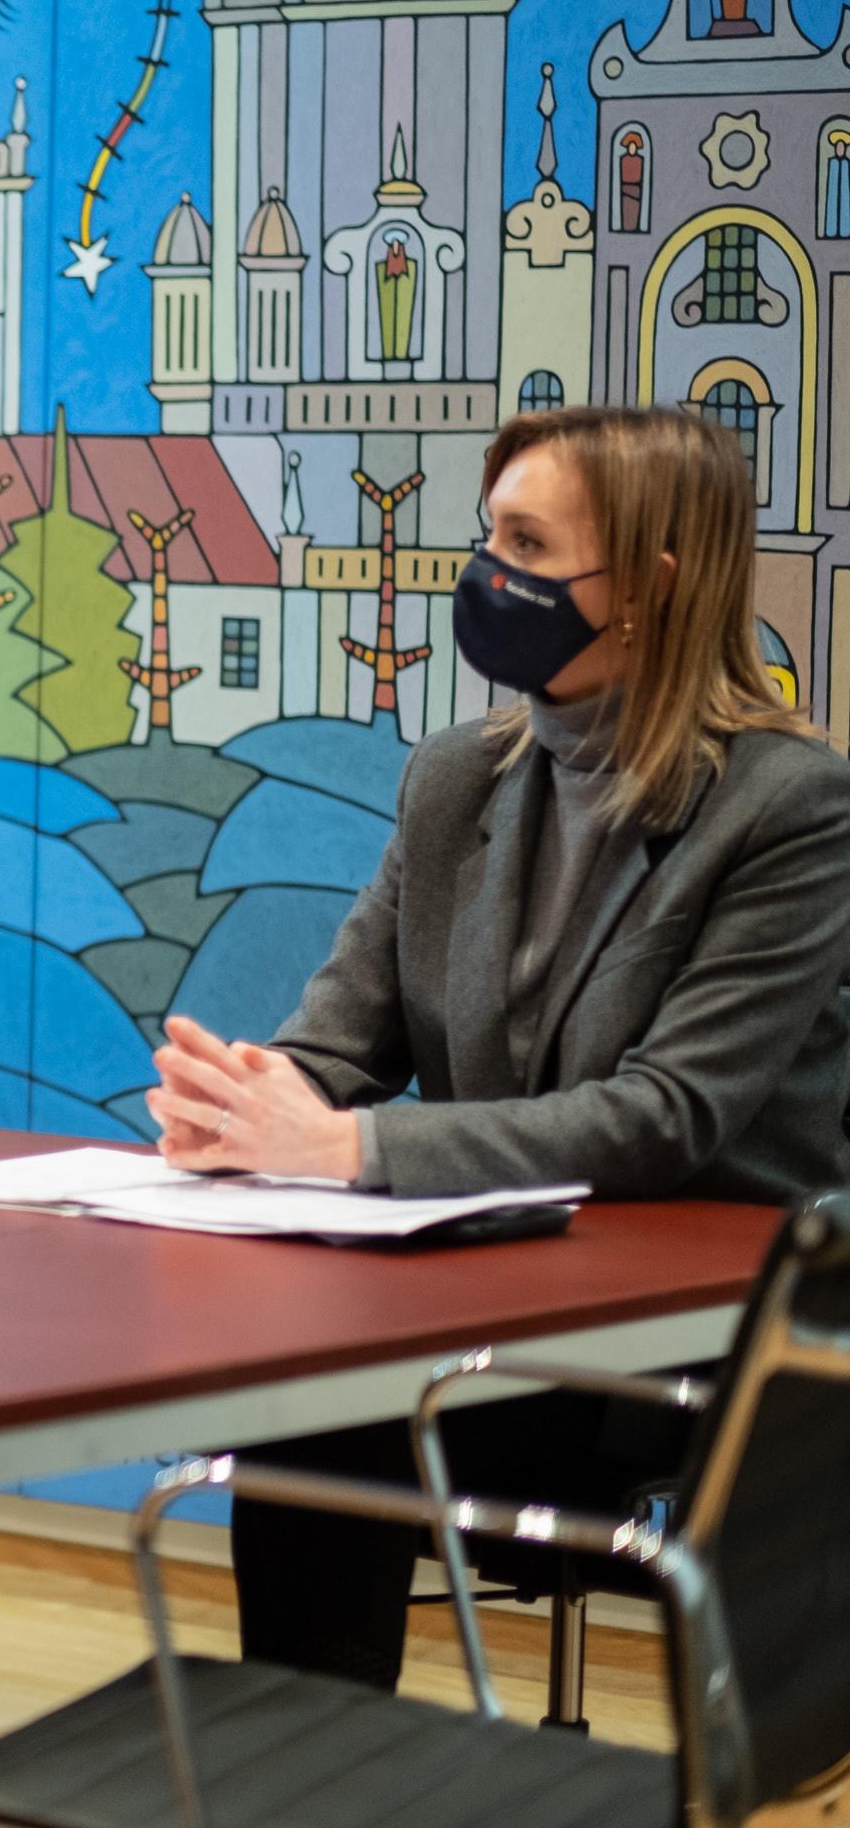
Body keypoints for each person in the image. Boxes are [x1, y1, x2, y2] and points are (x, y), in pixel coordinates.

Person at [144, 406, 850, 1690]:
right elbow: (340, 1042)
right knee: (306, 1394)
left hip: (697, 1347)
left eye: (529, 543)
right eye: (490, 537)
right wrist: (246, 1102)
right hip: (491, 1305)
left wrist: (346, 1145)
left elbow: (665, 1115)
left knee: (336, 1406)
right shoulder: (455, 775)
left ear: (650, 582)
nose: (487, 575)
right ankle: (310, 1781)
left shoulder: (788, 805)